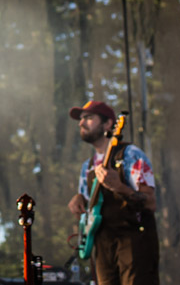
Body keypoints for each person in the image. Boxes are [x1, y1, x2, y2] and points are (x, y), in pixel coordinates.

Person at [66, 100, 158, 285]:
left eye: (89, 118)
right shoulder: (88, 166)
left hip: (133, 242)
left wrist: (120, 187)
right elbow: (91, 209)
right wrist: (79, 200)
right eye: (81, 119)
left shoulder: (131, 155)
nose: (81, 123)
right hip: (102, 246)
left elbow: (150, 202)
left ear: (108, 124)